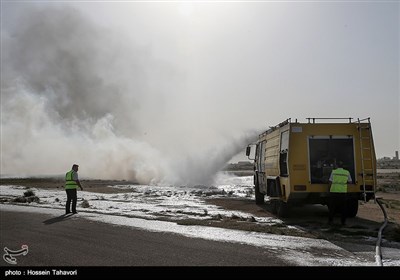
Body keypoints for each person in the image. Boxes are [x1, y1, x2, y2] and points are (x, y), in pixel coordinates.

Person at [328, 161, 352, 226]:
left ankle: (330, 221)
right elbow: (350, 182)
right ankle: (343, 222)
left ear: (337, 166)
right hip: (343, 192)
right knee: (343, 208)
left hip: (334, 192)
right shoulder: (347, 172)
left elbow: (330, 181)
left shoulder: (334, 172)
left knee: (332, 207)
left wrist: (329, 189)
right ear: (343, 166)